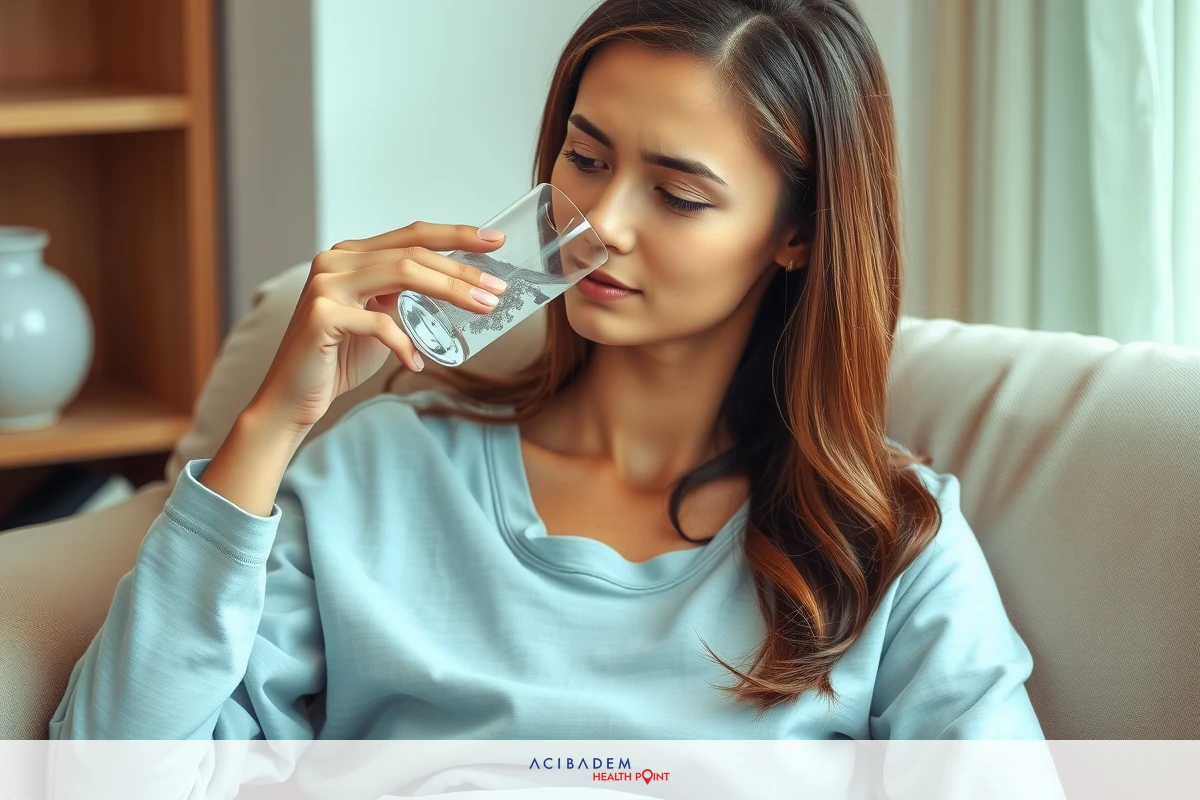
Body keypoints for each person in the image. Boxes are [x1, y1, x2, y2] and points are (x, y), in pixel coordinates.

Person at [48, 0, 1044, 793]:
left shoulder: (886, 543)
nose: (602, 221)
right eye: (586, 157)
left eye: (678, 192)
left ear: (797, 232)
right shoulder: (378, 471)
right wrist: (269, 426)